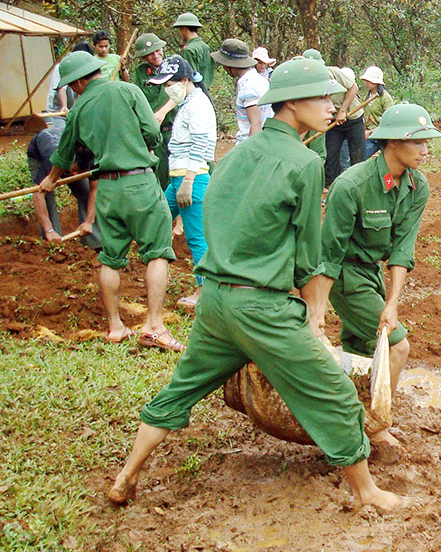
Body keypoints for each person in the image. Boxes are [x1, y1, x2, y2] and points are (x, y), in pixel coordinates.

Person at [107, 58, 405, 514]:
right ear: (290, 103)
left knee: (180, 391)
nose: (331, 106)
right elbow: (309, 256)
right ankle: (368, 492)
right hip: (263, 309)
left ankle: (126, 476)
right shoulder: (306, 162)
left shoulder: (234, 155)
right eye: (321, 97)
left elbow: (214, 220)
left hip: (215, 303)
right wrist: (313, 317)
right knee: (338, 394)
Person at [316, 102, 441, 454]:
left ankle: (348, 420)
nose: (424, 150)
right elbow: (329, 255)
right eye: (416, 143)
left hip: (370, 271)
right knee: (397, 345)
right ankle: (376, 425)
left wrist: (391, 303)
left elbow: (402, 250)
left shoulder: (417, 186)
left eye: (425, 142)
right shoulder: (351, 185)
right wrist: (318, 312)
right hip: (343, 274)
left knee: (361, 348)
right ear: (392, 143)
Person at [39, 51, 181, 350]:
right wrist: (147, 148)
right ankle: (154, 326)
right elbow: (152, 131)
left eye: (71, 85)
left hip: (106, 189)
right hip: (139, 181)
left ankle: (115, 326)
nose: (72, 90)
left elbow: (63, 155)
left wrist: (51, 179)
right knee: (156, 252)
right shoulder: (128, 90)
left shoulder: (78, 110)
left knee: (111, 258)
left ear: (79, 81)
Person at [148, 56, 215, 307]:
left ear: (185, 80)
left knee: (197, 238)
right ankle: (158, 271)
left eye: (170, 83)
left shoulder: (198, 105)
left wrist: (188, 181)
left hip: (192, 178)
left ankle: (204, 290)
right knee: (159, 218)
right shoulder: (186, 102)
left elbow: (199, 144)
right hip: (177, 178)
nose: (167, 89)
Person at [27, 117, 102, 249]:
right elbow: (38, 194)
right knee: (47, 195)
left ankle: (95, 241)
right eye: (72, 171)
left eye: (78, 172)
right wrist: (49, 229)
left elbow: (94, 191)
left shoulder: (92, 157)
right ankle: (52, 241)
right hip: (38, 152)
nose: (73, 176)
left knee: (85, 192)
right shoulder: (53, 160)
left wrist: (89, 221)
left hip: (63, 143)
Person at [130, 33, 180, 190]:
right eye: (150, 53)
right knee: (160, 173)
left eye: (158, 50)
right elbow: (139, 99)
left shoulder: (174, 65)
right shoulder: (141, 72)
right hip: (155, 133)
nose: (155, 55)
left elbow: (181, 92)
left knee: (181, 171)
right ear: (144, 57)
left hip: (175, 129)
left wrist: (163, 111)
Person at [215, 39, 271, 145]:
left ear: (228, 65)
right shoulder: (259, 80)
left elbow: (256, 123)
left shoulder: (248, 86)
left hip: (250, 143)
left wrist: (250, 153)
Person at [325, 63, 365, 185]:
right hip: (334, 122)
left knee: (357, 154)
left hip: (353, 118)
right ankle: (330, 185)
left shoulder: (334, 73)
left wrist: (343, 111)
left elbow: (354, 88)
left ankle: (359, 183)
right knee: (331, 154)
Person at [361, 66, 395, 159]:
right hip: (371, 136)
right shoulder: (368, 97)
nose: (366, 83)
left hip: (382, 135)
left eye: (369, 81)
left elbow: (390, 119)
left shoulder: (385, 97)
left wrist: (371, 132)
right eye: (365, 81)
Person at [173, 13, 214, 91]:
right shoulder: (205, 46)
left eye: (180, 29)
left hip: (195, 91)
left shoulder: (189, 50)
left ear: (184, 29)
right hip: (206, 92)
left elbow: (190, 76)